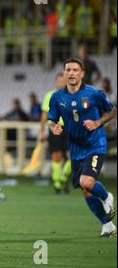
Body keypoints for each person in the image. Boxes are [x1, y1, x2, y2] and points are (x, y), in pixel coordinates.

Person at [48, 57, 117, 237]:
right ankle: (107, 225)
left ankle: (107, 197)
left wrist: (98, 122)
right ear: (64, 73)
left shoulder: (94, 93)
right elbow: (52, 120)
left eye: (75, 70)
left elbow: (113, 110)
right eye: (68, 70)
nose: (71, 73)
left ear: (82, 74)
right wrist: (53, 127)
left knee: (86, 182)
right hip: (76, 148)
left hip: (95, 143)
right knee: (86, 191)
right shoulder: (57, 97)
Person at [39, 73, 72, 194]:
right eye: (59, 80)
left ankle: (64, 177)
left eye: (63, 80)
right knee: (56, 155)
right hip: (55, 128)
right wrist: (41, 131)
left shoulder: (72, 95)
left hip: (69, 128)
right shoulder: (50, 95)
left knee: (72, 155)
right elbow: (44, 114)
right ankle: (57, 182)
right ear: (56, 82)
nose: (61, 82)